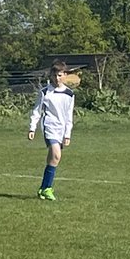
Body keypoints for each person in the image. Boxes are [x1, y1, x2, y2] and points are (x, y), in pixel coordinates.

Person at [27, 60, 74, 201]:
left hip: (61, 129)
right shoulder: (45, 92)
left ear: (65, 75)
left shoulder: (69, 94)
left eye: (60, 75)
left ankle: (43, 188)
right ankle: (47, 189)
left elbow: (68, 116)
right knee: (56, 155)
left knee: (53, 159)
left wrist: (67, 134)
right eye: (54, 75)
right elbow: (37, 111)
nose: (57, 78)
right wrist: (32, 128)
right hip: (49, 127)